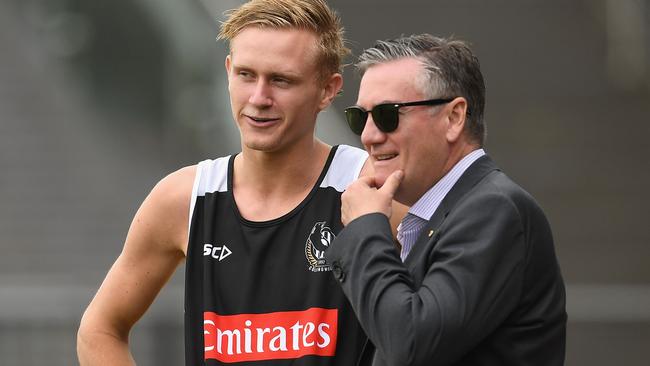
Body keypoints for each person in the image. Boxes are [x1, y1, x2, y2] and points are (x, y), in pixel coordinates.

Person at [77, 1, 405, 364]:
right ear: (228, 71)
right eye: (246, 75)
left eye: (281, 80)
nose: (259, 98)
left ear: (327, 90)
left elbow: (441, 327)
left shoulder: (374, 190)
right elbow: (99, 329)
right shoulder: (183, 198)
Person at [325, 34, 567, 366]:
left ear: (453, 118)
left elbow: (409, 344)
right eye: (359, 117)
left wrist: (366, 228)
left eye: (386, 115)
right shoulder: (442, 215)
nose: (368, 135)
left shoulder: (492, 209)